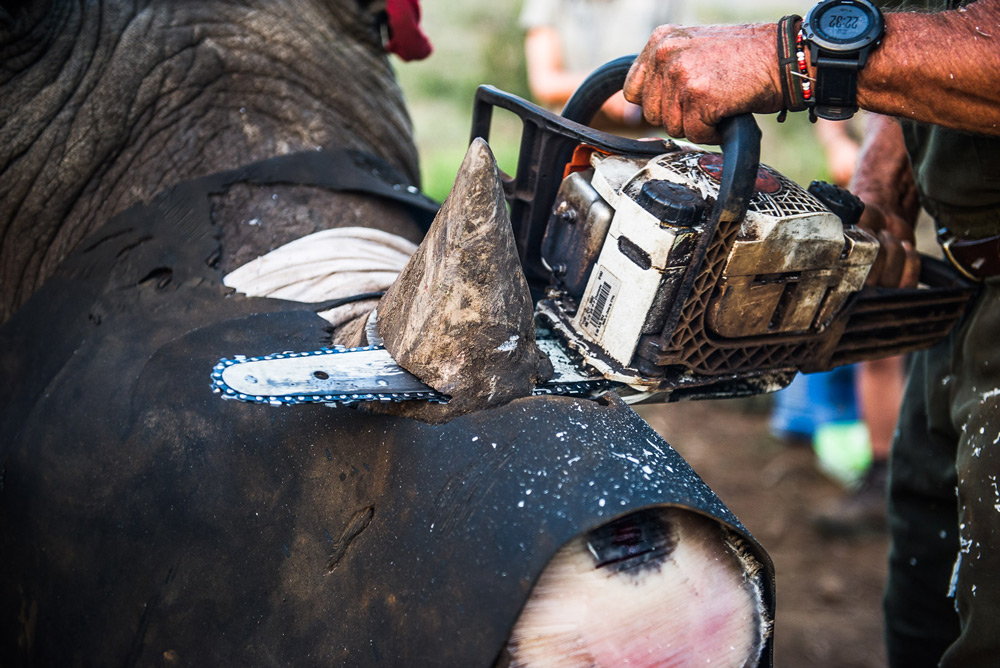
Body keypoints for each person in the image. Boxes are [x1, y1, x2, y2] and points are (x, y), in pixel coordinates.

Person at [622, 2, 1000, 667]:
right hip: (969, 289)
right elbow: (941, 22)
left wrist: (796, 55)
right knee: (923, 598)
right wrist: (884, 183)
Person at [520, 0, 683, 127]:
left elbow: (680, 69)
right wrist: (606, 89)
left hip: (642, 141)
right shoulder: (549, 4)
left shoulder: (662, 3)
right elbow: (544, 83)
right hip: (570, 138)